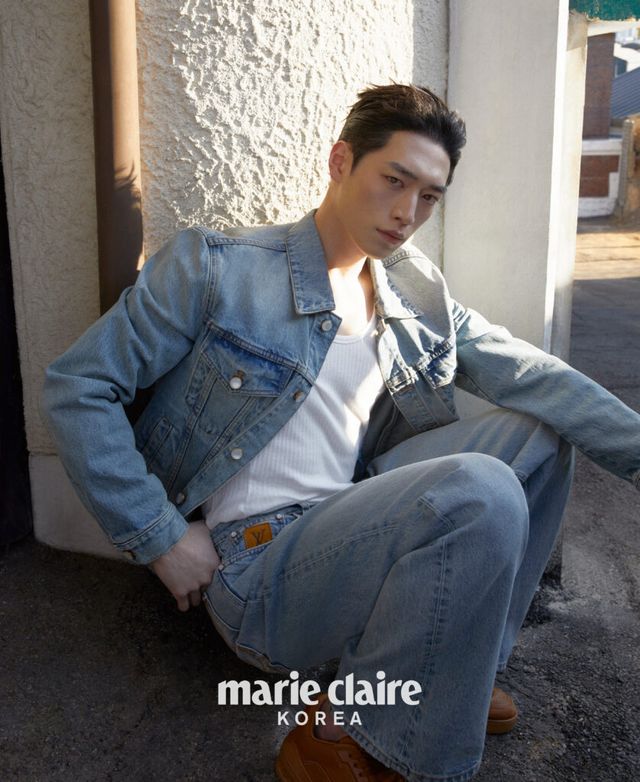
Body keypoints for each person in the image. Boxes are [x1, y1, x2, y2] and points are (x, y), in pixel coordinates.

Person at [42, 84, 640, 782]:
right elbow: (79, 387)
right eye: (395, 181)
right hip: (258, 568)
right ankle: (355, 730)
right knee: (481, 490)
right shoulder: (220, 268)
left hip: (352, 516)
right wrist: (160, 536)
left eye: (429, 196)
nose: (408, 213)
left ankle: (458, 674)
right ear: (340, 162)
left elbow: (533, 375)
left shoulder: (412, 294)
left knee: (541, 434)